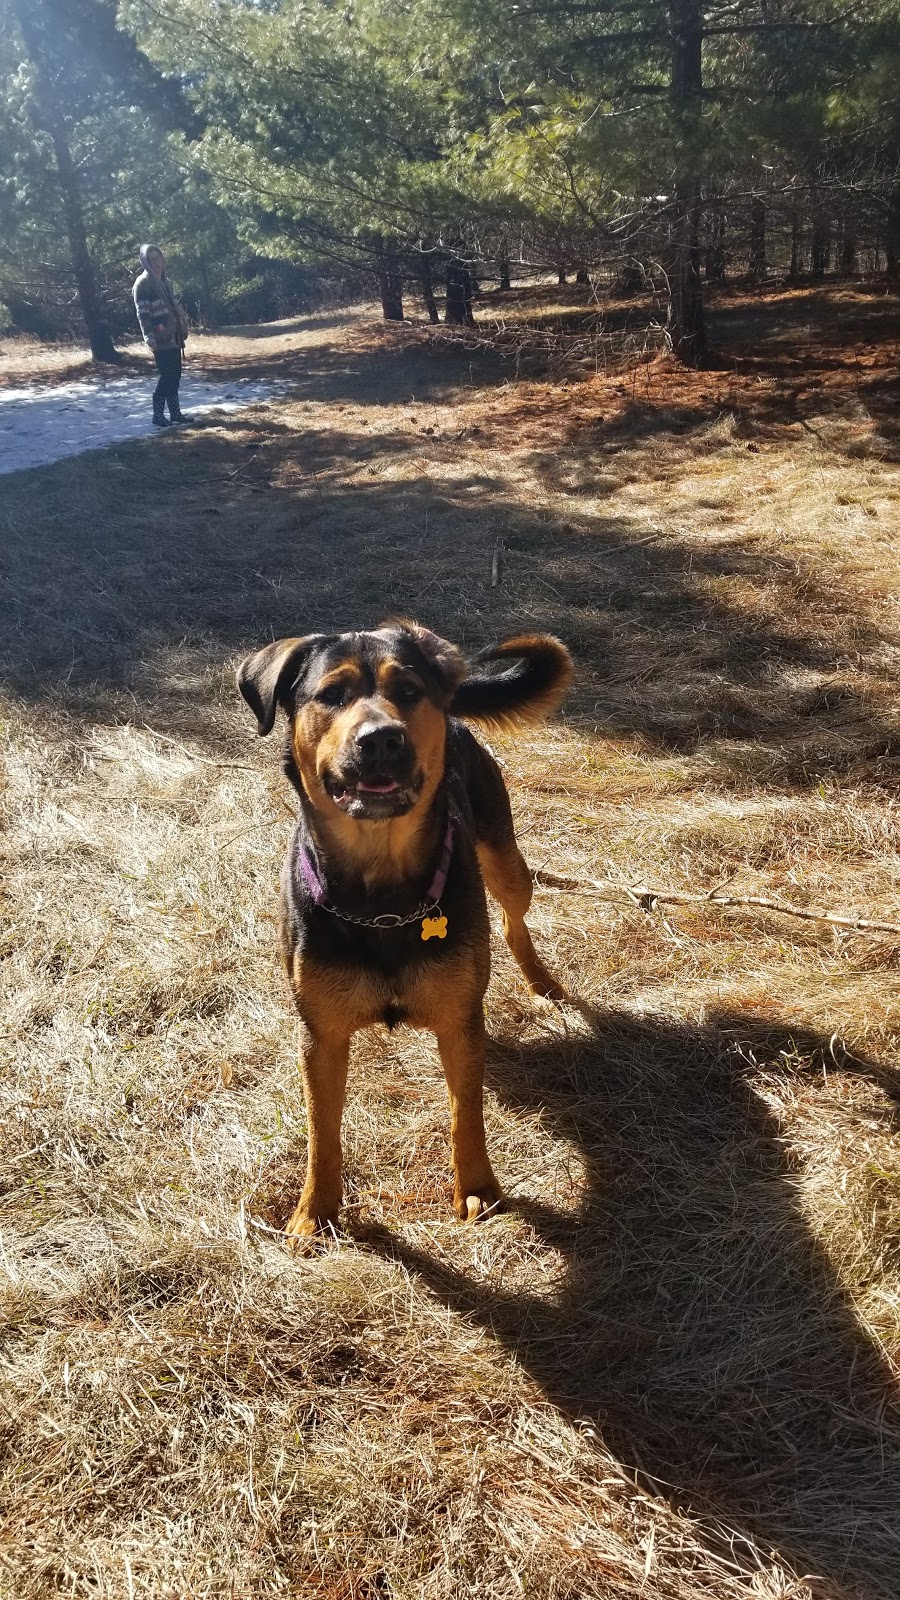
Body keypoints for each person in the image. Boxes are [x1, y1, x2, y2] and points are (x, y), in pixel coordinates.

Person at [132, 244, 191, 427]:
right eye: (152, 260)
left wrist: (182, 321)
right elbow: (143, 313)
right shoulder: (143, 284)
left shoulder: (164, 281)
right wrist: (149, 336)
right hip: (160, 338)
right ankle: (157, 416)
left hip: (174, 336)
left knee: (175, 376)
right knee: (167, 375)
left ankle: (175, 413)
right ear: (146, 262)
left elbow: (173, 305)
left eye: (159, 258)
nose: (157, 262)